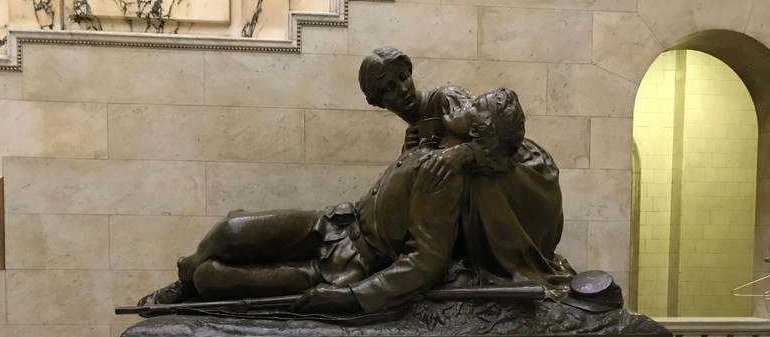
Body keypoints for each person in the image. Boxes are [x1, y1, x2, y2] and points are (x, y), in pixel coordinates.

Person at [137, 89, 527, 315]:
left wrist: (350, 297)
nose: (465, 99)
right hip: (335, 222)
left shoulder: (445, 175)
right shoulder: (435, 142)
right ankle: (185, 274)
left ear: (479, 128)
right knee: (229, 229)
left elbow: (427, 259)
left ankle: (194, 279)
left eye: (477, 105)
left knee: (214, 279)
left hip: (346, 265)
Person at [359, 47, 575, 299]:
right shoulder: (413, 136)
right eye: (388, 89)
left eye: (404, 76)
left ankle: (502, 266)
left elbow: (499, 128)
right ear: (377, 101)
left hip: (523, 179)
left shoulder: (445, 99)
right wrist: (410, 153)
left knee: (475, 184)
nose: (403, 89)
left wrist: (466, 153)